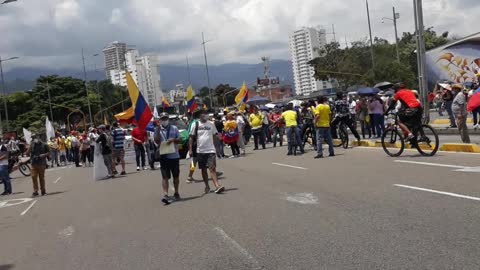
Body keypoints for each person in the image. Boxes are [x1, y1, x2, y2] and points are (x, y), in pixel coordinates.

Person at [189, 110, 225, 194]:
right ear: (200, 115)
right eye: (204, 113)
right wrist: (190, 149)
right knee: (203, 169)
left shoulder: (211, 124)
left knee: (212, 168)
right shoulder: (195, 124)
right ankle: (207, 186)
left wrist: (217, 146)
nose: (206, 115)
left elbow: (215, 135)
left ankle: (217, 186)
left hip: (210, 150)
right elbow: (191, 137)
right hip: (200, 150)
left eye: (206, 113)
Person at [154, 113, 182, 202]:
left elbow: (180, 139)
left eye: (165, 118)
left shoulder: (174, 128)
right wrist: (158, 129)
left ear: (168, 119)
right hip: (164, 156)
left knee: (176, 176)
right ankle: (165, 194)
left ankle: (176, 192)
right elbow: (156, 140)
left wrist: (173, 140)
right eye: (162, 119)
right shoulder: (157, 129)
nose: (164, 120)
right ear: (160, 120)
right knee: (165, 176)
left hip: (174, 156)